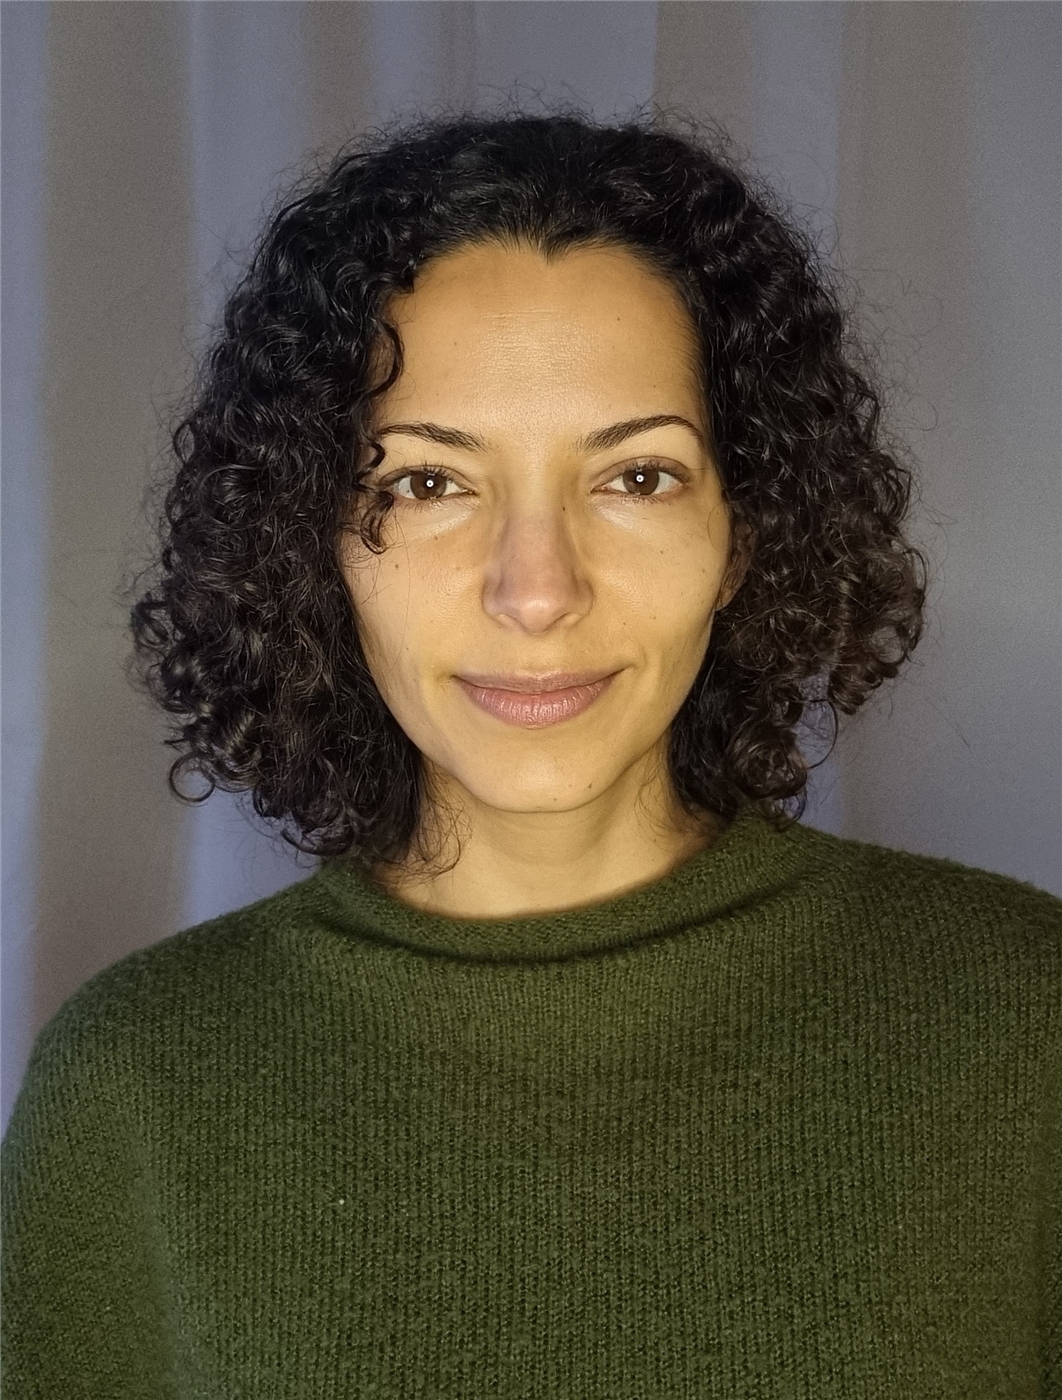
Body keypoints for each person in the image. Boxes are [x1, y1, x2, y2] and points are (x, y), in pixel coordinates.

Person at [3, 108, 1059, 1398]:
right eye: (426, 483)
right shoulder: (136, 1081)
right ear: (311, 543)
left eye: (638, 477)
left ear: (746, 530)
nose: (538, 591)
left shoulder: (1026, 1019)